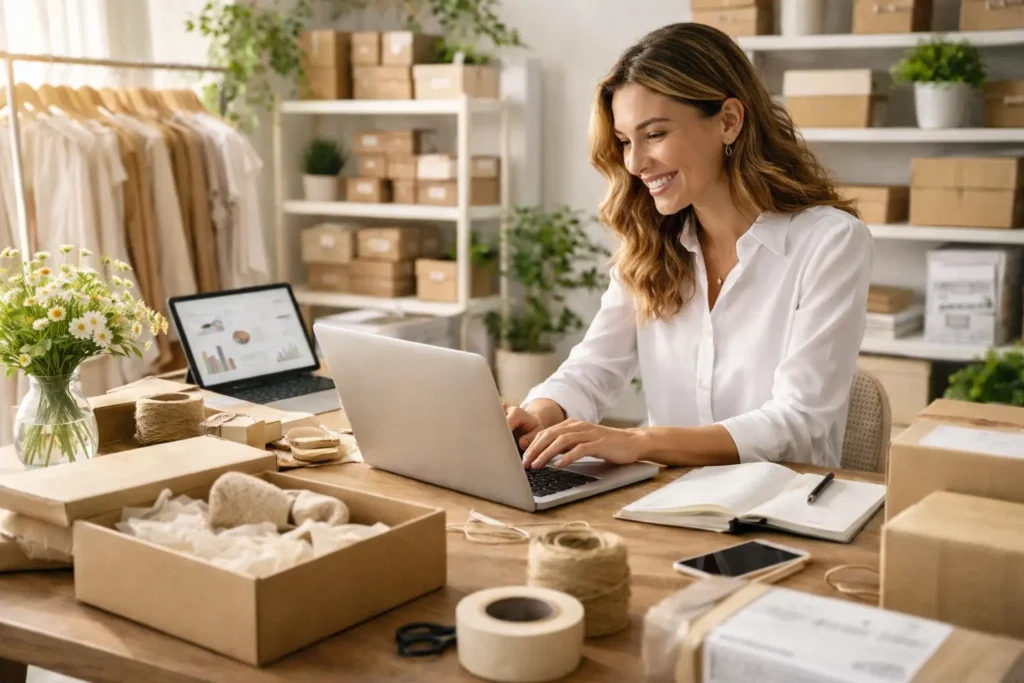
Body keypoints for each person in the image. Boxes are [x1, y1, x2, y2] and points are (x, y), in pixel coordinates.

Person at [507, 22, 873, 471]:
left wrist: (640, 441)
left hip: (782, 510)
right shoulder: (648, 246)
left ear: (728, 121)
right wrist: (540, 413)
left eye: (655, 134)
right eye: (624, 141)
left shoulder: (830, 243)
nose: (636, 163)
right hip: (665, 504)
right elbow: (594, 367)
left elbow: (799, 420)